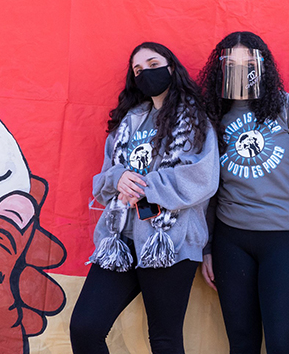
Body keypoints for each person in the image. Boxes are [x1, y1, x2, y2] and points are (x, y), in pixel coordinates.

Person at [70, 42, 219, 354]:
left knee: (164, 340)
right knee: (85, 327)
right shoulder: (129, 122)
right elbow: (104, 180)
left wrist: (143, 185)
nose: (145, 73)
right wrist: (118, 177)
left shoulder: (195, 120)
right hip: (120, 241)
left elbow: (202, 178)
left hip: (169, 242)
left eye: (153, 64)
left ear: (171, 67)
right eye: (138, 70)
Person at [198, 31, 289, 354]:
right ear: (219, 69)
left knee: (283, 344)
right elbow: (209, 189)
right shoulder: (213, 116)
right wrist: (207, 246)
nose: (241, 69)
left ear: (264, 67)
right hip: (231, 241)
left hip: (287, 241)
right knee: (241, 344)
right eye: (231, 63)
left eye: (249, 62)